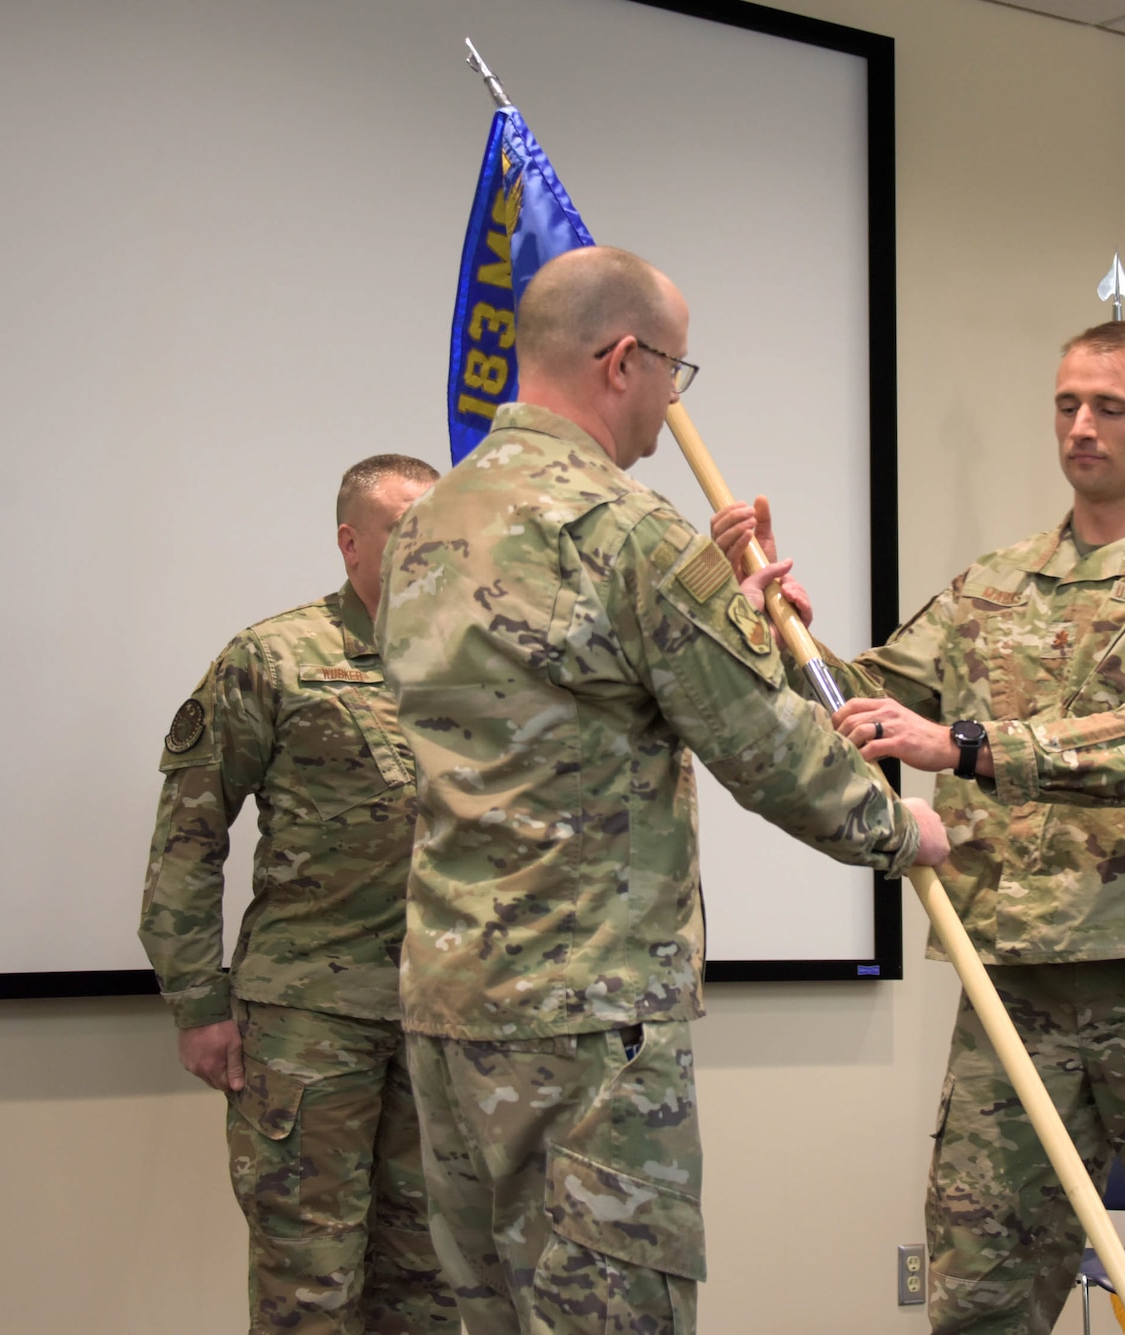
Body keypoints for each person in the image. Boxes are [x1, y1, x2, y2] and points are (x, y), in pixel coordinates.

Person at [376, 245, 949, 1335]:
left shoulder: (426, 526)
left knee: (486, 1313)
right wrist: (902, 831)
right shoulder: (624, 529)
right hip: (588, 1022)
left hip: (447, 1008)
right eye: (673, 374)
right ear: (622, 359)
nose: (668, 406)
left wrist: (725, 610)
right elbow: (763, 748)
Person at [712, 321, 1125, 1335]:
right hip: (1014, 982)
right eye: (1065, 404)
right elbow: (859, 705)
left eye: (1108, 408)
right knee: (978, 1289)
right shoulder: (994, 585)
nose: (1079, 427)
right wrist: (773, 625)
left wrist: (976, 747)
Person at [138, 453, 457, 1335]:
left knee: (432, 1287)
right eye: (404, 530)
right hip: (310, 1024)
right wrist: (199, 1004)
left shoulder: (481, 662)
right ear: (351, 541)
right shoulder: (276, 658)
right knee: (308, 1290)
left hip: (445, 1024)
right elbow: (189, 840)